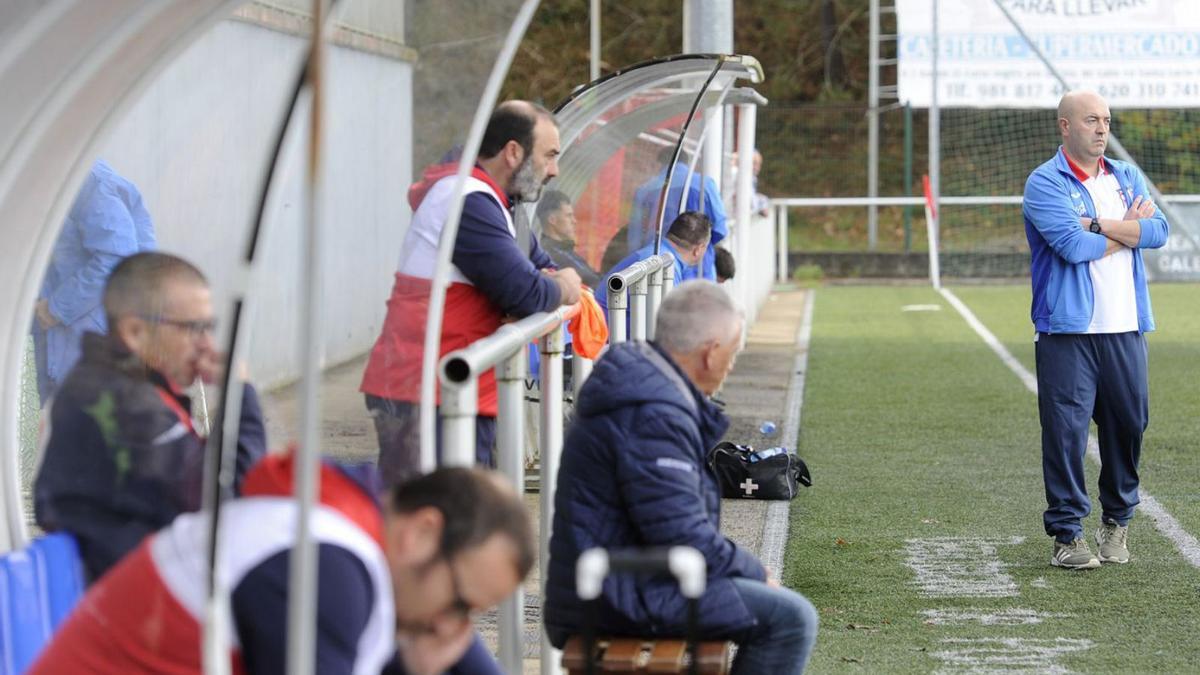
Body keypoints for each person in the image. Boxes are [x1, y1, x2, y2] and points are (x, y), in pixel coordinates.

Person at [30, 457, 533, 675]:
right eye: (461, 604)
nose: (452, 629)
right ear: (421, 533)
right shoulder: (326, 570)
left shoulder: (342, 527)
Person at [544, 281, 818, 674]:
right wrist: (755, 570)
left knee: (774, 607)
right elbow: (681, 533)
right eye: (733, 352)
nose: (732, 364)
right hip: (617, 589)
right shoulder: (652, 413)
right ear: (710, 352)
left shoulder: (645, 387)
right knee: (791, 619)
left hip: (623, 577)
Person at [361, 101, 583, 487]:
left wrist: (549, 283)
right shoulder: (467, 199)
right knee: (433, 522)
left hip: (449, 386)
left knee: (450, 523)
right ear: (513, 152)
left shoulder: (499, 202)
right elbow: (527, 290)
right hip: (428, 390)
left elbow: (537, 267)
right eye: (549, 156)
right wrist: (564, 286)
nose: (554, 170)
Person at [34, 252, 266, 580]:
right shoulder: (122, 405)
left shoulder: (120, 386)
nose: (207, 345)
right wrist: (240, 393)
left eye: (210, 328)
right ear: (134, 332)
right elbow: (231, 493)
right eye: (193, 329)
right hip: (126, 607)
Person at [1024, 90, 1169, 569]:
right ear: (1066, 126)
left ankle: (1116, 523)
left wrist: (1100, 225)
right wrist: (1126, 230)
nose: (1102, 128)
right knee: (1065, 433)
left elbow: (1159, 232)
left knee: (1129, 425)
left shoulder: (1126, 176)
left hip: (1126, 329)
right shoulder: (1045, 182)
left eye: (1106, 120)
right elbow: (1070, 245)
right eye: (1091, 120)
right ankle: (1067, 535)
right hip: (1068, 332)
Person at [34, 159, 156, 402]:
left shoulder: (85, 180)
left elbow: (117, 258)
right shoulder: (40, 178)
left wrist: (55, 308)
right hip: (61, 348)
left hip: (92, 349)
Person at [627, 146, 728, 280]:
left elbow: (634, 238)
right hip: (698, 268)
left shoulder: (644, 190)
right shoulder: (705, 184)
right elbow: (721, 230)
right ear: (686, 162)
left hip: (656, 267)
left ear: (661, 164)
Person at [597, 211, 711, 316]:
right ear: (699, 249)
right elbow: (667, 323)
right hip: (608, 334)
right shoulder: (663, 267)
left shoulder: (658, 253)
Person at [537, 189, 601, 288]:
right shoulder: (554, 255)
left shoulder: (562, 249)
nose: (574, 221)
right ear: (552, 220)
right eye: (569, 216)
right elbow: (594, 282)